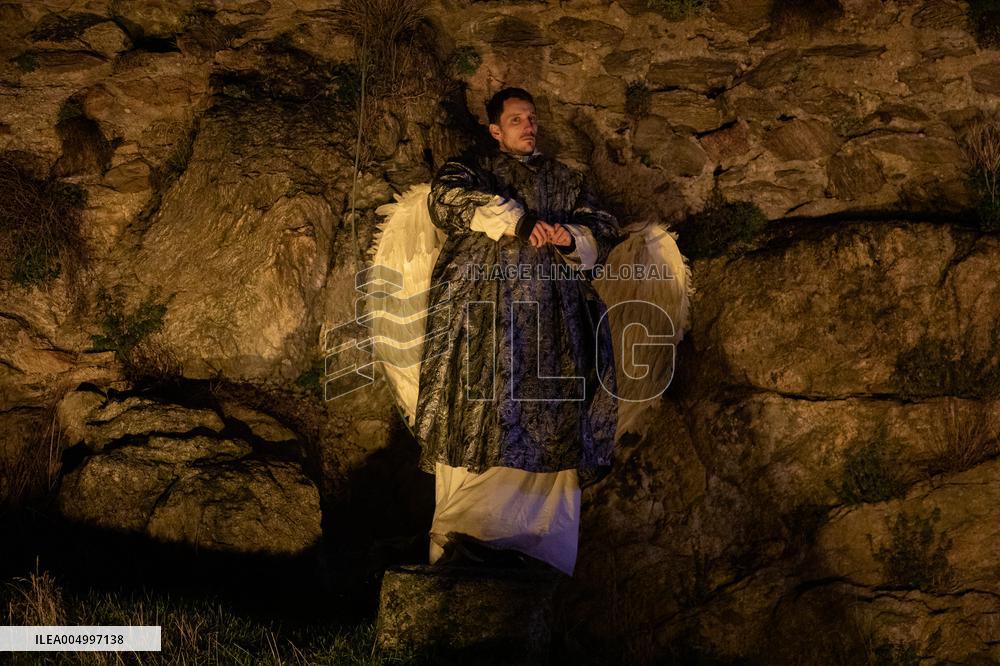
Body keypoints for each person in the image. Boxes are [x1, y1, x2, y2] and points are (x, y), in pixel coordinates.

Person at [411, 87, 626, 576]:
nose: (528, 126)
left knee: (555, 423)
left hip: (553, 329)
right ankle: (464, 541)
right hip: (485, 323)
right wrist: (518, 220)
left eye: (531, 118)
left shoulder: (565, 180)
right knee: (479, 418)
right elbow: (445, 201)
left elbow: (602, 224)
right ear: (495, 130)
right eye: (516, 120)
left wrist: (571, 236)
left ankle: (539, 552)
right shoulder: (473, 170)